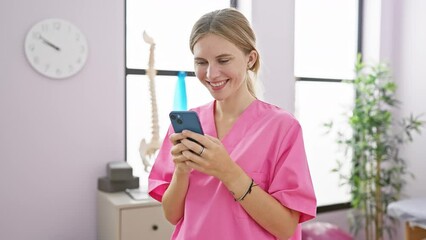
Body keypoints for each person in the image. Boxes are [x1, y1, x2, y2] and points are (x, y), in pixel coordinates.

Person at [148, 7, 316, 240]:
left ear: (250, 58)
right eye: (201, 62)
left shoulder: (283, 128)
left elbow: (286, 227)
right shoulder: (186, 126)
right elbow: (172, 214)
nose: (211, 73)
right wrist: (182, 171)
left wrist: (228, 172)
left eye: (223, 60)